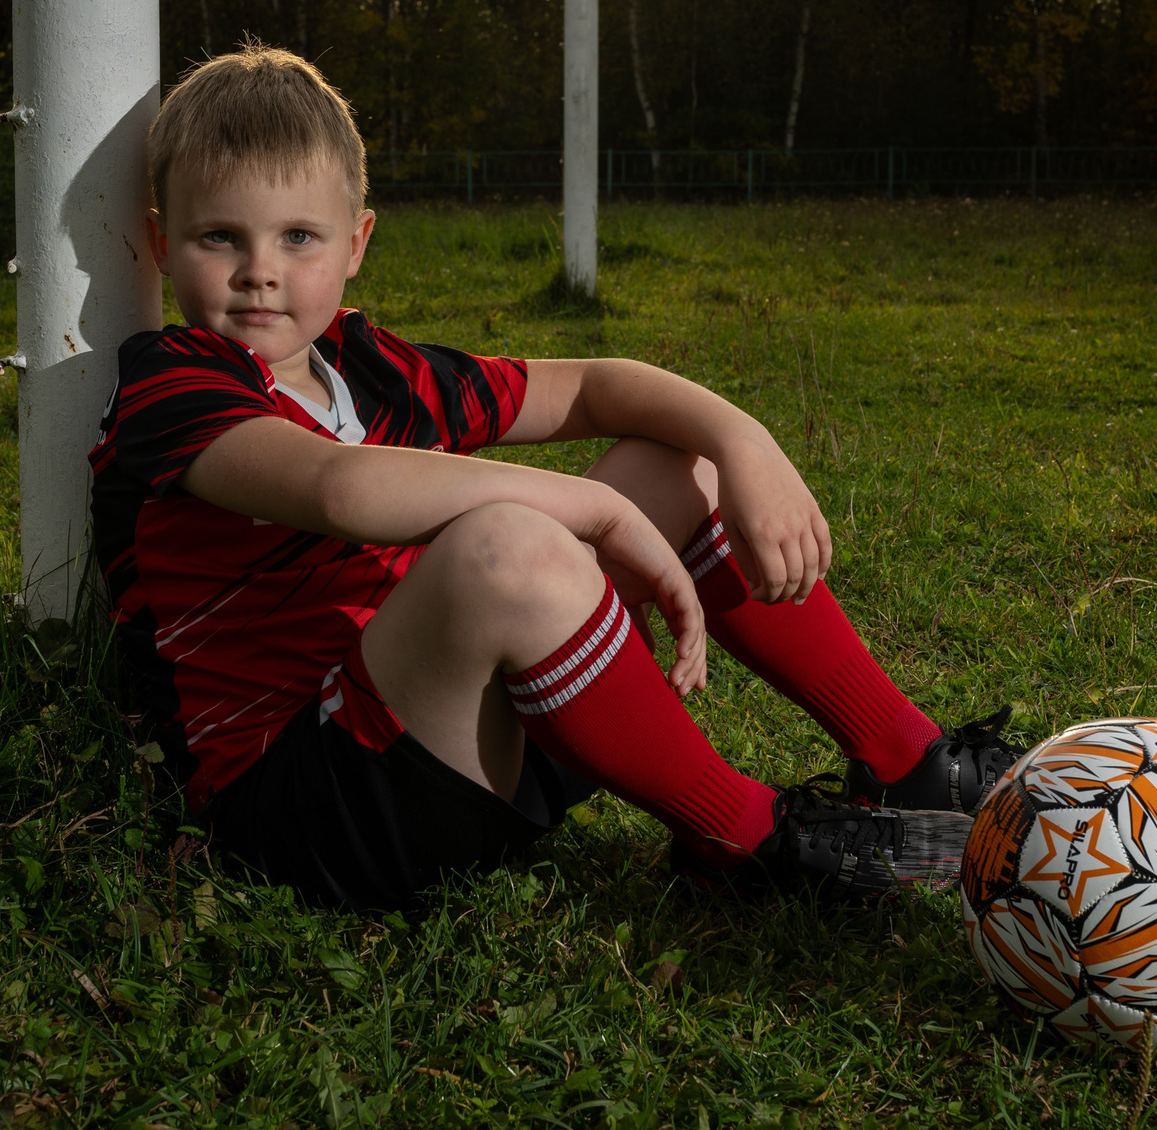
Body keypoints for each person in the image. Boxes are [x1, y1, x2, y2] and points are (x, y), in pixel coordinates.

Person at [89, 46, 1019, 914]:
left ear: (357, 242)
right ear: (163, 242)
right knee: (509, 544)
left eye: (298, 236)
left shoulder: (368, 367)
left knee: (670, 456)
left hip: (443, 737)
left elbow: (592, 387)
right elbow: (340, 488)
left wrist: (743, 439)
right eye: (221, 237)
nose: (260, 273)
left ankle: (910, 761)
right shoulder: (171, 378)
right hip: (305, 810)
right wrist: (595, 509)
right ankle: (744, 838)